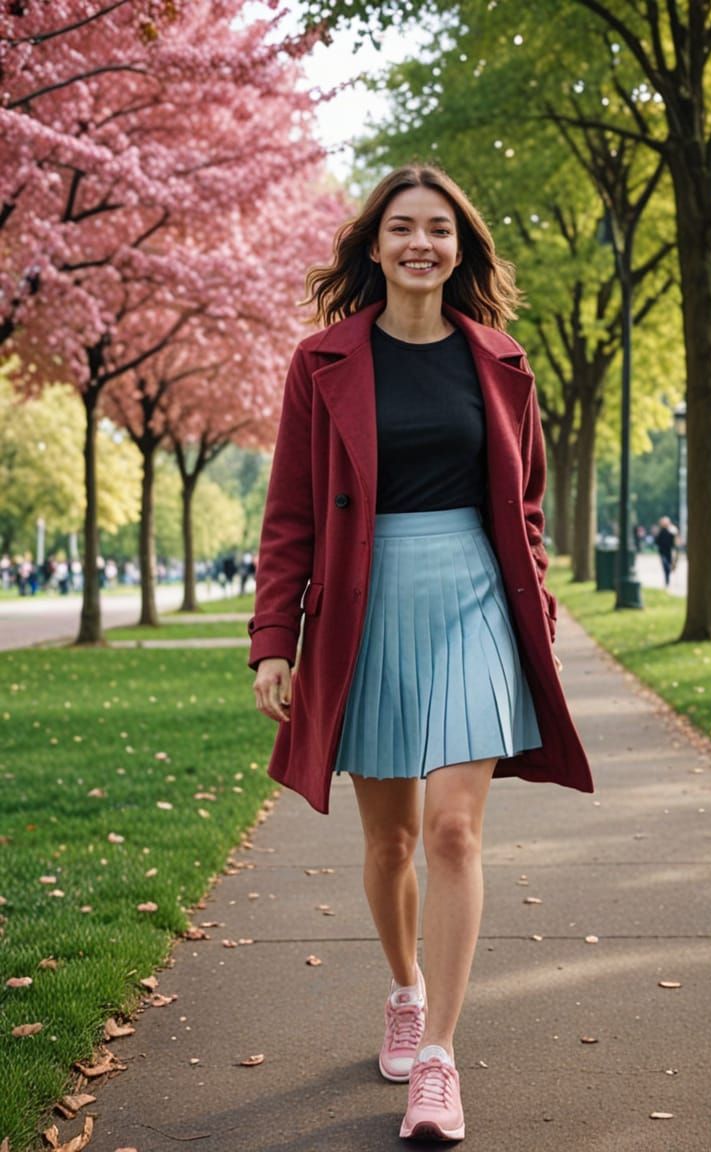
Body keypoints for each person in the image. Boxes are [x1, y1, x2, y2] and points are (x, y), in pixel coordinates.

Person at [248, 164, 593, 1142]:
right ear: (373, 245)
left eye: (438, 229)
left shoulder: (500, 360)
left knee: (451, 831)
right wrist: (275, 641)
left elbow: (520, 503)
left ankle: (436, 1058)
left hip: (474, 601)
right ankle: (403, 988)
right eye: (401, 227)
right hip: (365, 603)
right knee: (390, 839)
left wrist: (537, 607)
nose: (419, 244)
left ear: (460, 247)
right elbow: (288, 516)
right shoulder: (319, 361)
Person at [656, 516, 678, 587]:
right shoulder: (661, 531)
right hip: (663, 552)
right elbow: (657, 541)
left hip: (670, 551)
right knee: (666, 566)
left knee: (669, 565)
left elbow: (675, 542)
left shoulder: (672, 530)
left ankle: (668, 578)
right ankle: (667, 580)